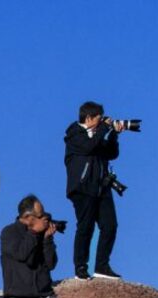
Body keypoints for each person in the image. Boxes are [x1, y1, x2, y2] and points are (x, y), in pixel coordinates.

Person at [64, 101, 127, 280]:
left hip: (102, 186)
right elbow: (89, 146)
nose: (102, 122)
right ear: (89, 118)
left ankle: (102, 266)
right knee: (86, 227)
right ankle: (81, 267)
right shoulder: (74, 135)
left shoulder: (98, 135)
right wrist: (103, 129)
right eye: (100, 118)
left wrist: (114, 134)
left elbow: (111, 154)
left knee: (110, 226)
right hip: (83, 187)